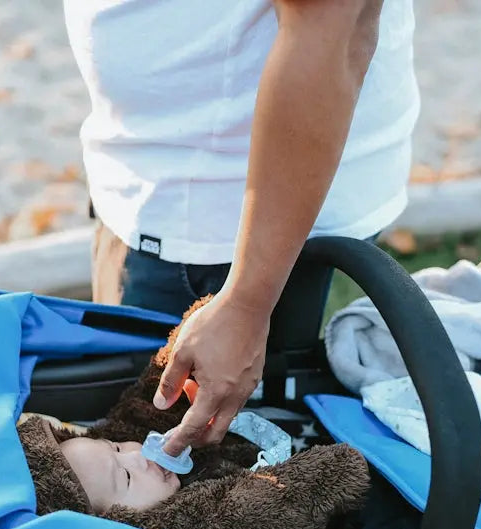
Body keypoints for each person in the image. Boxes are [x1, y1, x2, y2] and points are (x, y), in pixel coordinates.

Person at [63, 0, 419, 457]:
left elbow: (332, 29)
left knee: (201, 467)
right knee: (118, 455)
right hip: (135, 178)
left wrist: (248, 303)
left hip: (258, 232)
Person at [17, 296, 373, 529]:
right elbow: (250, 516)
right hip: (346, 511)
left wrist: (197, 340)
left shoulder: (150, 468)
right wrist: (326, 476)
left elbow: (146, 408)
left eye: (114, 446)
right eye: (124, 475)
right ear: (115, 523)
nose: (137, 454)